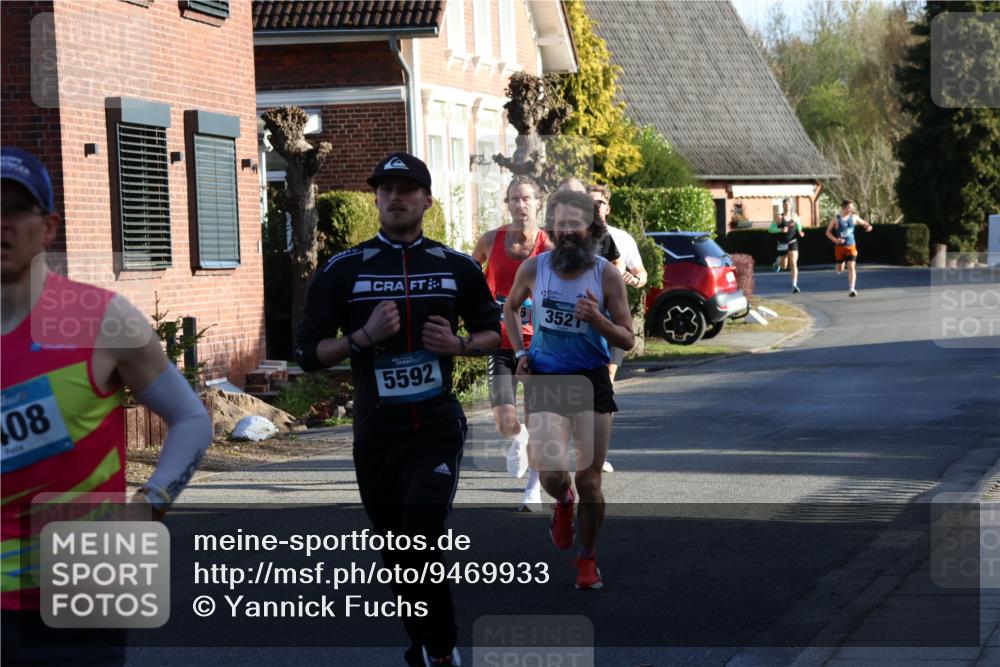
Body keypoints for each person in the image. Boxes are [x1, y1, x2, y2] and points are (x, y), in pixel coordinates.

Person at [1, 147, 212, 665]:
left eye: (15, 208)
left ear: (48, 228)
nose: (0, 223)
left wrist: (150, 504)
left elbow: (191, 419)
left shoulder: (100, 320)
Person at [297, 152, 500, 667]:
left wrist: (457, 346)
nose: (395, 197)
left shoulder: (456, 267)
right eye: (385, 189)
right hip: (376, 431)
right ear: (377, 200)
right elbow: (308, 353)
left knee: (421, 531)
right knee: (397, 553)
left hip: (435, 425)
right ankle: (424, 640)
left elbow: (498, 334)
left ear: (427, 200)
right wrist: (362, 337)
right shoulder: (344, 270)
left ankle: (441, 647)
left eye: (407, 188)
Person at [502, 189, 635, 591]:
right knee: (554, 476)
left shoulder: (605, 274)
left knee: (590, 479)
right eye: (558, 224)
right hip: (547, 378)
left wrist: (598, 319)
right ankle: (563, 504)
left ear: (591, 228)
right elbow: (510, 307)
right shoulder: (534, 268)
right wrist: (520, 352)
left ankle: (587, 558)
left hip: (591, 378)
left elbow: (627, 338)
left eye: (574, 224)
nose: (565, 232)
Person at [472, 176, 552, 511]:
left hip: (540, 345)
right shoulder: (491, 240)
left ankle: (532, 489)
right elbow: (469, 271)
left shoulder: (549, 247)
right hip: (502, 340)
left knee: (538, 419)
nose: (520, 205)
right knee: (506, 421)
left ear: (538, 203)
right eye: (514, 199)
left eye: (526, 199)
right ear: (507, 203)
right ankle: (518, 440)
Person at [826, 198, 872, 297]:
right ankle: (839, 265)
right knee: (840, 268)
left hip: (851, 245)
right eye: (849, 208)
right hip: (840, 247)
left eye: (852, 208)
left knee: (851, 266)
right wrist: (836, 240)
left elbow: (864, 223)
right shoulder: (836, 219)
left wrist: (868, 227)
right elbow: (828, 232)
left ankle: (852, 288)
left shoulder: (854, 217)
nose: (851, 210)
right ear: (843, 207)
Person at [769, 198, 805, 293]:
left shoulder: (795, 216)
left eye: (789, 204)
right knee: (784, 266)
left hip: (793, 241)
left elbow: (799, 226)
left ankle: (794, 285)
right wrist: (780, 230)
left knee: (793, 262)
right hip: (782, 243)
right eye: (785, 204)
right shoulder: (779, 218)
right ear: (783, 206)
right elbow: (770, 229)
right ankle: (778, 262)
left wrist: (800, 231)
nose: (787, 206)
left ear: (791, 205)